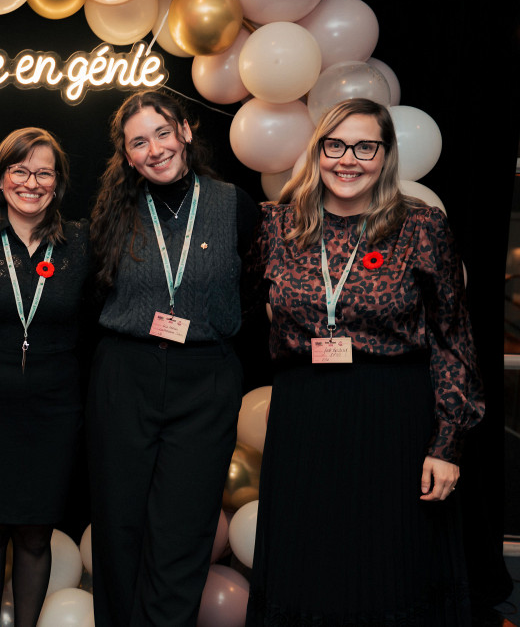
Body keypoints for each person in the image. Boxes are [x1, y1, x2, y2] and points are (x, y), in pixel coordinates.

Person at [245, 98, 484, 625]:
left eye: (364, 147)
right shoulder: (276, 227)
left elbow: (452, 338)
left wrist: (448, 443)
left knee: (389, 566)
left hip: (393, 416)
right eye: (335, 145)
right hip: (304, 415)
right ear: (318, 150)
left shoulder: (422, 228)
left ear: (386, 155)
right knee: (307, 564)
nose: (347, 160)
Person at [88, 90, 258, 626]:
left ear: (185, 130)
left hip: (204, 380)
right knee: (119, 528)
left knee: (183, 533)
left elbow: (252, 289)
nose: (154, 149)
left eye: (162, 133)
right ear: (127, 154)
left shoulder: (234, 204)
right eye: (139, 141)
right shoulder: (114, 209)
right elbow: (96, 291)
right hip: (126, 375)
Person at [0, 128, 91, 627]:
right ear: (1, 177)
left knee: (35, 534)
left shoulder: (81, 242)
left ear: (58, 182)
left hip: (53, 410)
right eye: (19, 170)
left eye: (43, 172)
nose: (31, 182)